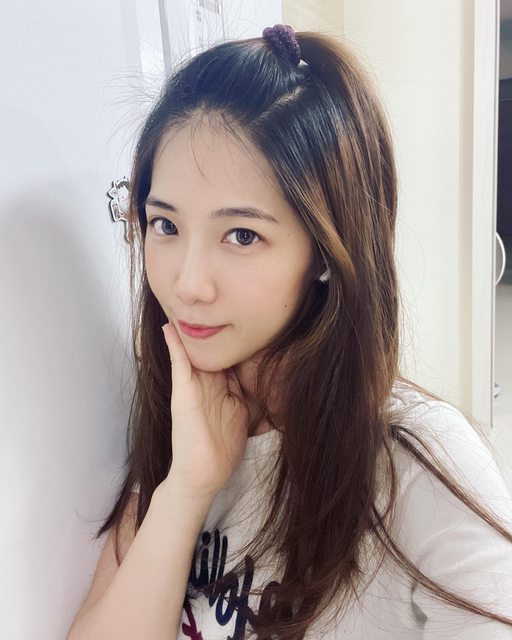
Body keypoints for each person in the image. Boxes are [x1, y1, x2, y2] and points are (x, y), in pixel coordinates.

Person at [66, 25, 512, 640]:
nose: (188, 283)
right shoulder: (180, 421)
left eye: (241, 235)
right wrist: (187, 488)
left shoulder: (416, 463)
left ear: (326, 252)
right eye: (165, 225)